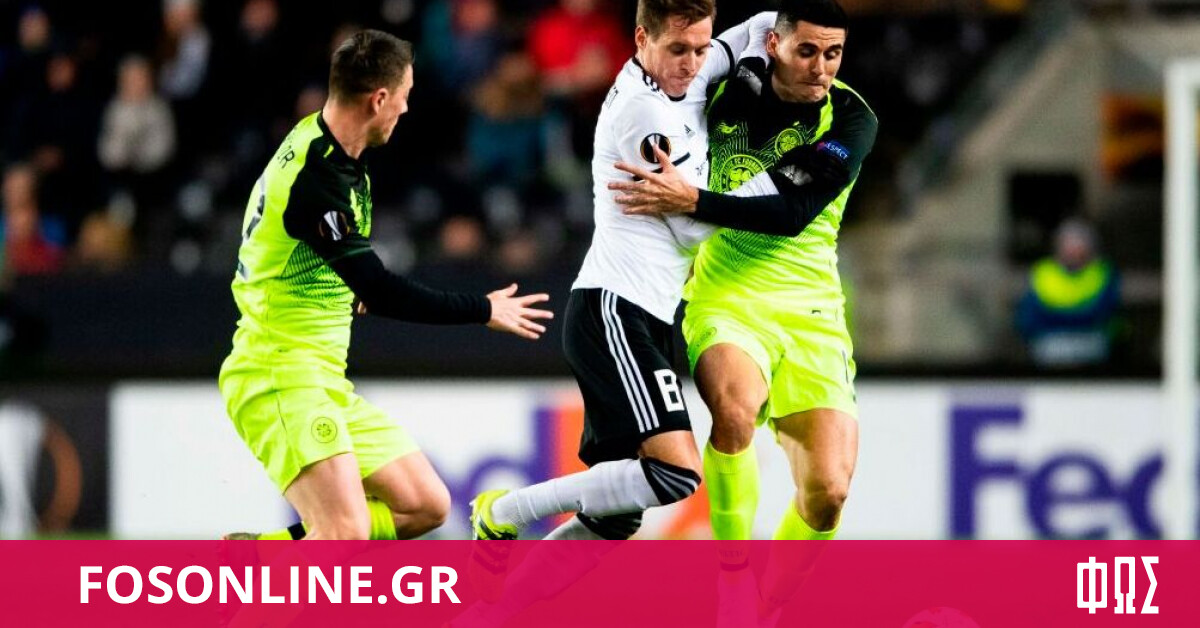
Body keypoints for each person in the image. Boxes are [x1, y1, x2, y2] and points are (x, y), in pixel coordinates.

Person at [218, 30, 553, 542]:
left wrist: (342, 288)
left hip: (321, 377)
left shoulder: (329, 144)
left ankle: (265, 554)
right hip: (279, 373)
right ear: (378, 99)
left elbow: (296, 252)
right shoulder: (317, 178)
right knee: (345, 533)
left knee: (424, 505)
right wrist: (482, 309)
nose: (405, 107)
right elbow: (380, 289)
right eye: (404, 95)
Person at [469, 0, 776, 542]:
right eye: (678, 49)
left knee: (615, 516)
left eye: (700, 48)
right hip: (616, 310)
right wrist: (767, 186)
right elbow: (690, 230)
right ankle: (504, 510)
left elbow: (759, 25)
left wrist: (778, 45)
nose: (692, 63)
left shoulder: (691, 69)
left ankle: (508, 595)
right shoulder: (643, 112)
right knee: (675, 473)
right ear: (640, 39)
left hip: (647, 313)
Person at [612, 0, 876, 548]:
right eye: (807, 51)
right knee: (733, 413)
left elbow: (791, 214)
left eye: (833, 54)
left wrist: (693, 202)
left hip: (812, 308)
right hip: (725, 294)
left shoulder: (852, 119)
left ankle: (769, 595)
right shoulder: (726, 90)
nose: (821, 68)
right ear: (775, 45)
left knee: (828, 493)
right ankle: (732, 574)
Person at [1016, 218, 1120, 367]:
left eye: (1079, 245)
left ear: (1090, 248)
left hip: (1090, 343)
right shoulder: (1043, 272)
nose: (1073, 251)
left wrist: (1057, 318)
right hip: (1051, 343)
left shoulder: (1102, 272)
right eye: (1069, 244)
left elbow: (1104, 313)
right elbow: (1029, 318)